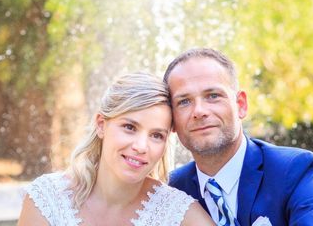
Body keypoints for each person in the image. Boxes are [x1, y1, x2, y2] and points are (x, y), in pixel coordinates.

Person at [165, 48, 313, 226]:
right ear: (171, 120)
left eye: (213, 96)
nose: (199, 111)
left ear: (241, 105)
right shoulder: (169, 191)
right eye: (184, 102)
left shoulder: (296, 170)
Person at [17, 72, 213, 226]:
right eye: (130, 127)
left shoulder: (177, 212)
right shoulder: (47, 198)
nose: (141, 146)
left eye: (156, 135)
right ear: (101, 125)